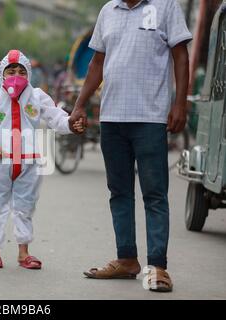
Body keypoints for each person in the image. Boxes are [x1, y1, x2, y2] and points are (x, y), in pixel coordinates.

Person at [69, 0, 192, 292]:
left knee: (154, 193)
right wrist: (79, 104)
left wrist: (180, 104)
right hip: (112, 119)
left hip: (149, 118)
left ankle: (158, 267)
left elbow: (181, 56)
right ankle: (126, 259)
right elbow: (97, 62)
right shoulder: (108, 11)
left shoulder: (165, 7)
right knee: (119, 192)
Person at [0, 50, 83, 269]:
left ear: (29, 74)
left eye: (21, 71)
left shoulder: (37, 97)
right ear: (2, 74)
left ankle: (24, 252)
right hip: (0, 162)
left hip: (29, 161)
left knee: (25, 206)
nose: (16, 75)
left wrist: (70, 124)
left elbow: (55, 116)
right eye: (11, 71)